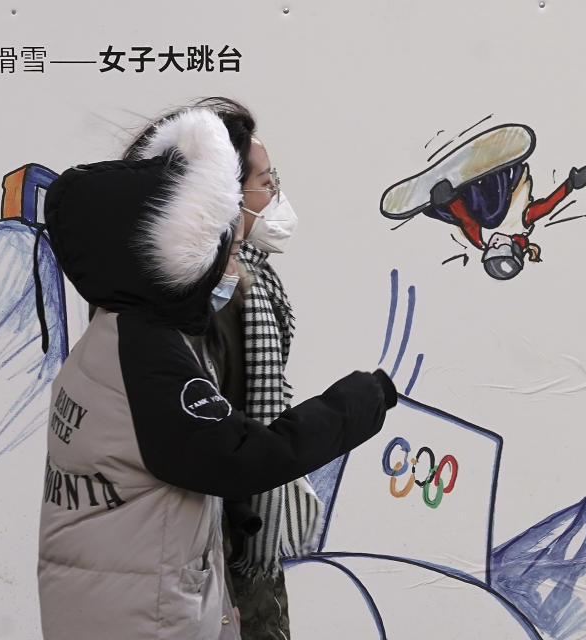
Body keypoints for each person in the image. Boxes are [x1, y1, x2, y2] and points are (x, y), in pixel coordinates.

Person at [37, 107, 398, 640]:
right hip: (147, 613)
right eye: (223, 251)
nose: (232, 266)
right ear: (177, 248)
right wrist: (360, 401)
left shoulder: (112, 333)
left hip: (121, 598)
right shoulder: (152, 355)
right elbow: (237, 457)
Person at [125, 98, 312, 640]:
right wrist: (348, 411)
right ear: (224, 195)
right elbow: (238, 438)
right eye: (265, 180)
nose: (274, 193)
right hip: (219, 552)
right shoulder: (228, 295)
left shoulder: (146, 286)